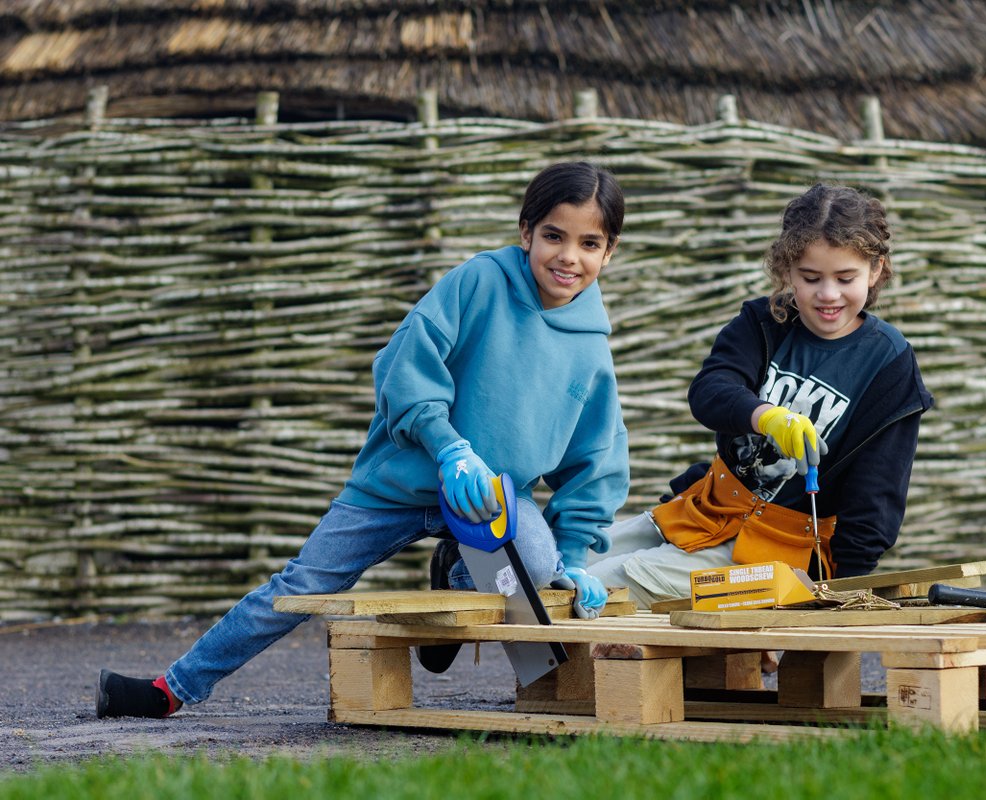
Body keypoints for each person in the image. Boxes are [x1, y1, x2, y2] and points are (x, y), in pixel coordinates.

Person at [97, 161, 629, 718]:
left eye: (589, 243)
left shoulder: (592, 350)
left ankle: (459, 568)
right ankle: (172, 688)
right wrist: (448, 447)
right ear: (526, 233)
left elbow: (596, 462)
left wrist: (575, 559)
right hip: (402, 482)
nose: (569, 257)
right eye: (553, 236)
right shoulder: (477, 282)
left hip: (486, 502)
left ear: (609, 251)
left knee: (539, 577)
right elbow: (403, 366)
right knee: (300, 586)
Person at [589, 183, 933, 608]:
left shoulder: (889, 363)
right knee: (559, 562)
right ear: (788, 270)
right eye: (811, 278)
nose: (828, 294)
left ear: (876, 270)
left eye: (846, 278)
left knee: (588, 585)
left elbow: (876, 497)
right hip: (706, 514)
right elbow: (710, 392)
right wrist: (765, 415)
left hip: (784, 556)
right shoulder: (763, 321)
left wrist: (840, 594)